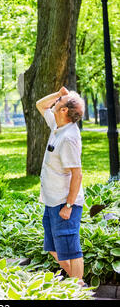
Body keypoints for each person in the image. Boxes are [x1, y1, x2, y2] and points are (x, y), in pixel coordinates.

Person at [36, 86, 86, 286]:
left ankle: (78, 288)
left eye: (59, 103)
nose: (55, 104)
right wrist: (59, 94)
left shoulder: (69, 138)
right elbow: (41, 105)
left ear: (64, 111)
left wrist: (69, 205)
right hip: (52, 200)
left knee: (71, 249)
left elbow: (77, 174)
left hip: (65, 203)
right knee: (52, 247)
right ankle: (78, 284)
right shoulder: (58, 126)